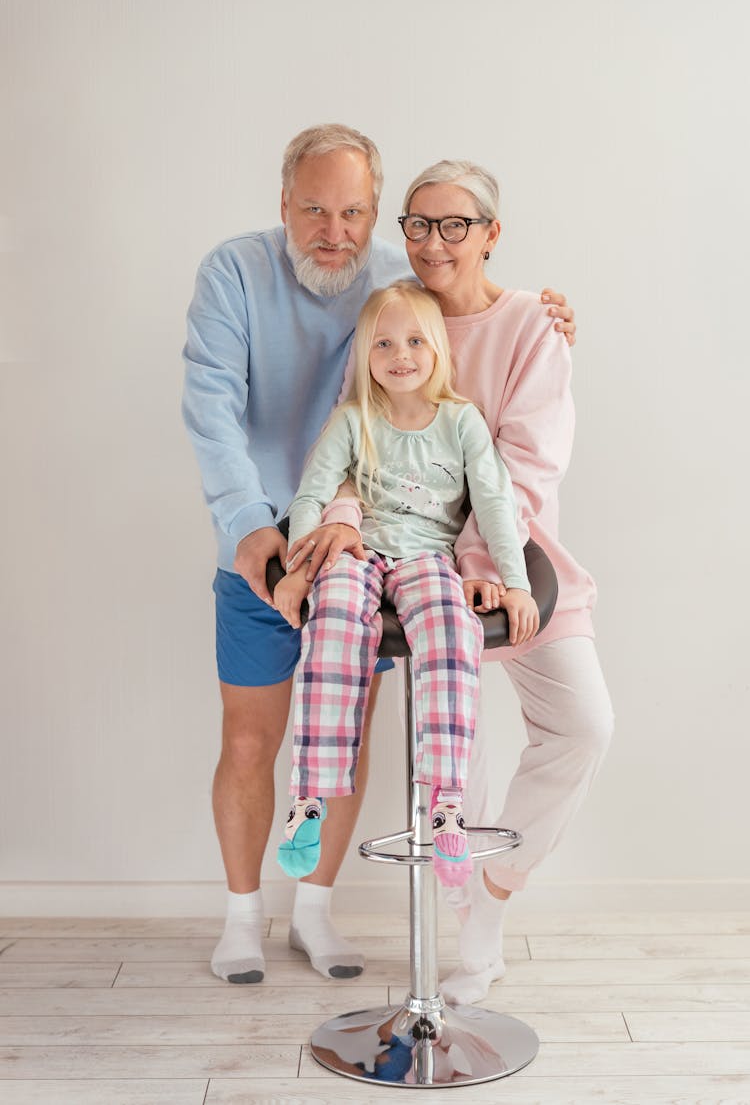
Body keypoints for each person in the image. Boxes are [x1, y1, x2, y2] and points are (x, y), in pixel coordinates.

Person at [182, 122, 577, 986]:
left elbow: (454, 348)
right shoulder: (234, 273)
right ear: (284, 204)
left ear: (376, 217)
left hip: (371, 564)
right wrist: (257, 526)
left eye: (354, 210)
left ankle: (314, 914)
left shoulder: (397, 296)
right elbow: (211, 407)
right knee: (252, 739)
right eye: (316, 208)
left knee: (347, 728)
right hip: (261, 551)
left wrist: (543, 315)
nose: (335, 229)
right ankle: (244, 915)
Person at [289, 159, 614, 1005]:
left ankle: (489, 898)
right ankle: (454, 900)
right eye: (418, 224)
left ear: (491, 233)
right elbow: (355, 445)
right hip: (412, 571)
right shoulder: (400, 318)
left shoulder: (534, 326)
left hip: (513, 566)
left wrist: (482, 570)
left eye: (455, 225)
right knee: (451, 741)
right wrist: (343, 524)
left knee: (583, 723)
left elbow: (523, 474)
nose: (434, 242)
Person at [272, 281, 539, 890]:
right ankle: (309, 798)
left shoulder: (461, 421)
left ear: (438, 348)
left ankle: (448, 803)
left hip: (427, 560)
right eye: (385, 342)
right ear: (366, 354)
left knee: (452, 632)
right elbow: (312, 496)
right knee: (334, 622)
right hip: (359, 552)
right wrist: (298, 573)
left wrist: (515, 583)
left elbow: (497, 505)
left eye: (416, 340)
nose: (402, 354)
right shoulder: (353, 420)